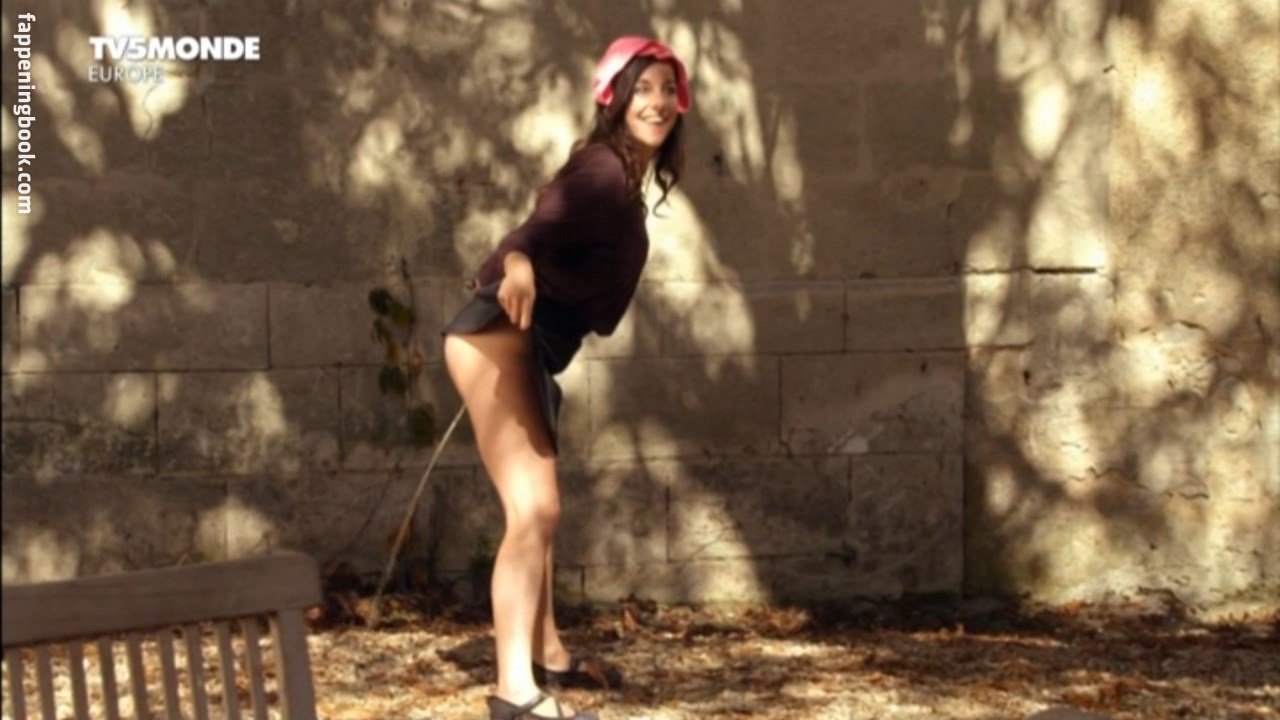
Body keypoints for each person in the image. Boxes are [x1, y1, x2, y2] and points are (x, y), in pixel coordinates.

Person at [441, 36, 692, 720]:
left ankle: (548, 653)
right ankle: (515, 694)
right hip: (498, 335)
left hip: (529, 349)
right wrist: (518, 264)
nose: (657, 102)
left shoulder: (622, 180)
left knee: (541, 515)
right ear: (615, 99)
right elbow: (528, 234)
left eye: (667, 89)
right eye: (642, 88)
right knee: (535, 511)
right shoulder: (602, 168)